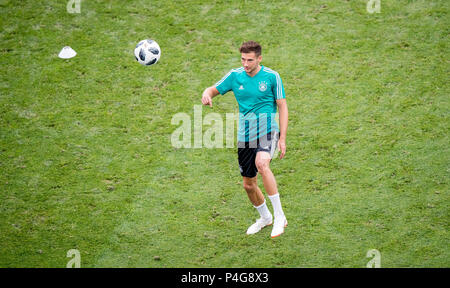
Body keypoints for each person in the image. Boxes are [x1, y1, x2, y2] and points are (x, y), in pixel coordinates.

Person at [201, 41, 289, 238]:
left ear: (259, 58)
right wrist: (206, 95)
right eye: (243, 59)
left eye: (250, 60)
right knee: (249, 185)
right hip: (245, 136)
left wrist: (282, 138)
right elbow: (211, 89)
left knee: (262, 163)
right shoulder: (235, 76)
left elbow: (282, 106)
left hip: (268, 130)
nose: (246, 64)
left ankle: (280, 216)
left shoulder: (272, 77)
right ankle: (265, 218)